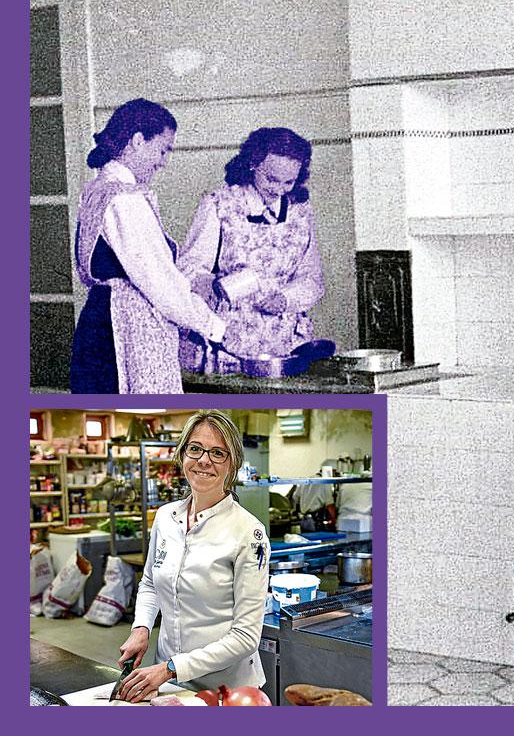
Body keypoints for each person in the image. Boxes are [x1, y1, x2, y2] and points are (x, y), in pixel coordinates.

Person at [70, 99, 227, 393]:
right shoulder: (123, 199)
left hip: (100, 319)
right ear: (138, 140)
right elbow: (160, 282)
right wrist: (212, 327)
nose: (164, 160)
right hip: (123, 328)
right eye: (163, 149)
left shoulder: (97, 189)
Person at [115, 410, 269, 701]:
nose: (204, 460)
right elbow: (150, 583)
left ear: (233, 463)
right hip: (171, 686)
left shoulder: (249, 532)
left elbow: (246, 638)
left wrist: (171, 668)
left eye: (218, 453)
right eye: (195, 448)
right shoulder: (165, 517)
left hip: (228, 691)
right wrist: (141, 628)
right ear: (182, 453)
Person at [178, 127, 324, 372]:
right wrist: (214, 285)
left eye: (289, 182)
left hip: (285, 341)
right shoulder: (219, 204)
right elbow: (190, 267)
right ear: (252, 165)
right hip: (228, 339)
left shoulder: (299, 211)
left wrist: (286, 298)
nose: (279, 189)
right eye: (271, 179)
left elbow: (312, 278)